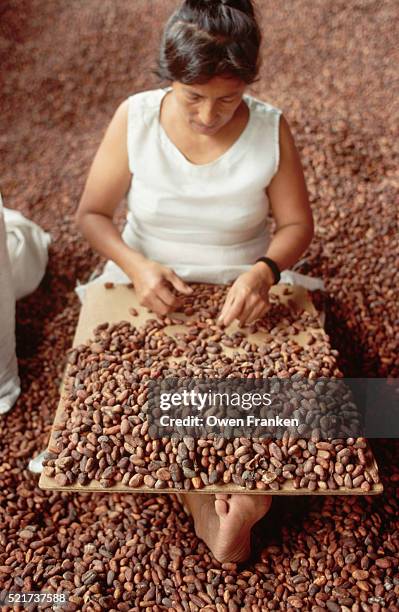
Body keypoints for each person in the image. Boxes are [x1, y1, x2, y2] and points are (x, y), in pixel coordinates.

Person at [75, 0, 314, 563]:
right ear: (170, 78)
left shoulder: (270, 125)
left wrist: (265, 271)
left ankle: (243, 490)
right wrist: (136, 265)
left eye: (227, 100)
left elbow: (297, 225)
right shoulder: (133, 117)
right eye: (193, 98)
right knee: (136, 402)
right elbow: (92, 214)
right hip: (147, 289)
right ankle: (215, 503)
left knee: (283, 387)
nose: (209, 115)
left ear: (248, 86)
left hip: (244, 294)